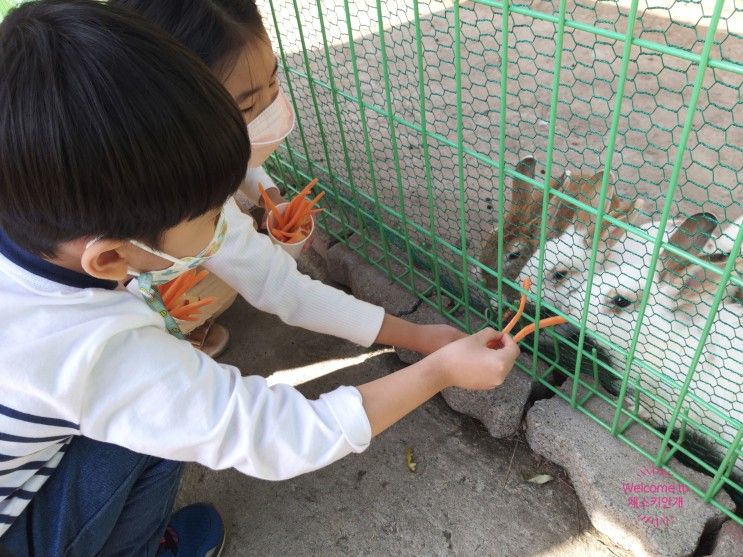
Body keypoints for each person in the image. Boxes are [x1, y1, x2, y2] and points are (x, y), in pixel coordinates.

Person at [0, 1, 520, 555]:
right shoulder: (103, 353)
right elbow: (279, 436)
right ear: (108, 259)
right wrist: (438, 370)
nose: (227, 219)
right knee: (164, 423)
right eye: (210, 215)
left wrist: (421, 336)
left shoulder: (43, 209)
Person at [108, 0, 300, 356]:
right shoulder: (149, 184)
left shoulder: (151, 128)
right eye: (245, 108)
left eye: (274, 80)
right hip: (134, 301)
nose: (270, 107)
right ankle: (172, 334)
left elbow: (237, 158)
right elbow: (278, 285)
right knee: (223, 273)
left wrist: (268, 194)